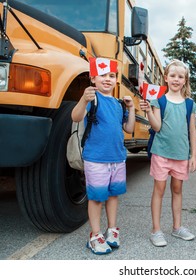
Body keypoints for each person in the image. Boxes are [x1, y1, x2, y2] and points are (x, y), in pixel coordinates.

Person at [71, 57, 135, 254]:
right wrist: (83, 98)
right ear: (93, 78)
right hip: (96, 158)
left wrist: (131, 108)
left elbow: (129, 128)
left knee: (114, 195)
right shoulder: (93, 99)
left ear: (116, 80)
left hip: (117, 158)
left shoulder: (118, 104)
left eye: (112, 75)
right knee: (97, 198)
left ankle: (112, 230)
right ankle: (95, 235)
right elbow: (75, 116)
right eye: (103, 75)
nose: (108, 79)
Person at [140, 59, 196, 247]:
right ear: (166, 78)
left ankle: (177, 227)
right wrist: (149, 111)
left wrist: (194, 155)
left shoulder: (189, 104)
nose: (176, 79)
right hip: (161, 154)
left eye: (180, 76)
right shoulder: (159, 101)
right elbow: (156, 127)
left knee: (177, 190)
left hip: (181, 155)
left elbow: (192, 130)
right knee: (159, 189)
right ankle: (156, 230)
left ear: (185, 80)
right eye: (172, 75)